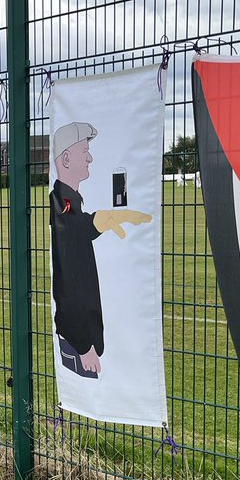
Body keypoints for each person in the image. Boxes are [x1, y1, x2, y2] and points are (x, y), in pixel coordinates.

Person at [50, 121, 151, 379]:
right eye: (84, 151)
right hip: (79, 343)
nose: (90, 158)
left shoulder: (70, 203)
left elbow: (75, 225)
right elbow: (67, 286)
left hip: (83, 340)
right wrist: (84, 347)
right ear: (67, 158)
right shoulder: (62, 205)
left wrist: (96, 221)